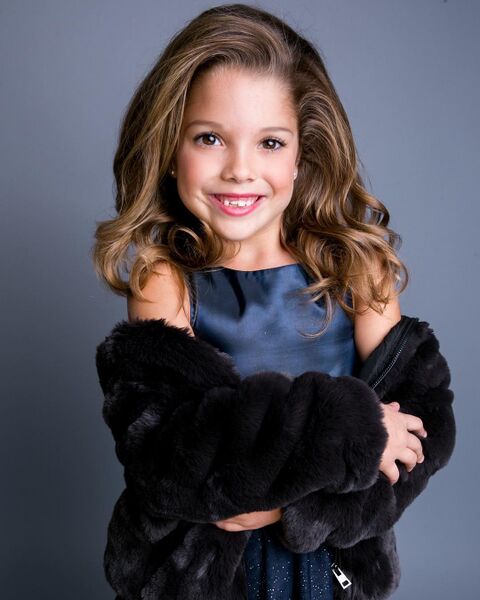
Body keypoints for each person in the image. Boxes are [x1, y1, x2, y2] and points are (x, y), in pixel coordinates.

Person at [92, 4, 454, 599]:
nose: (240, 170)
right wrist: (353, 431)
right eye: (210, 138)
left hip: (333, 567)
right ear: (171, 148)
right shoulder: (166, 280)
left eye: (269, 142)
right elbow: (174, 459)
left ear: (301, 155)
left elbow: (421, 431)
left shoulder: (354, 270)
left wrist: (290, 510)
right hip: (206, 577)